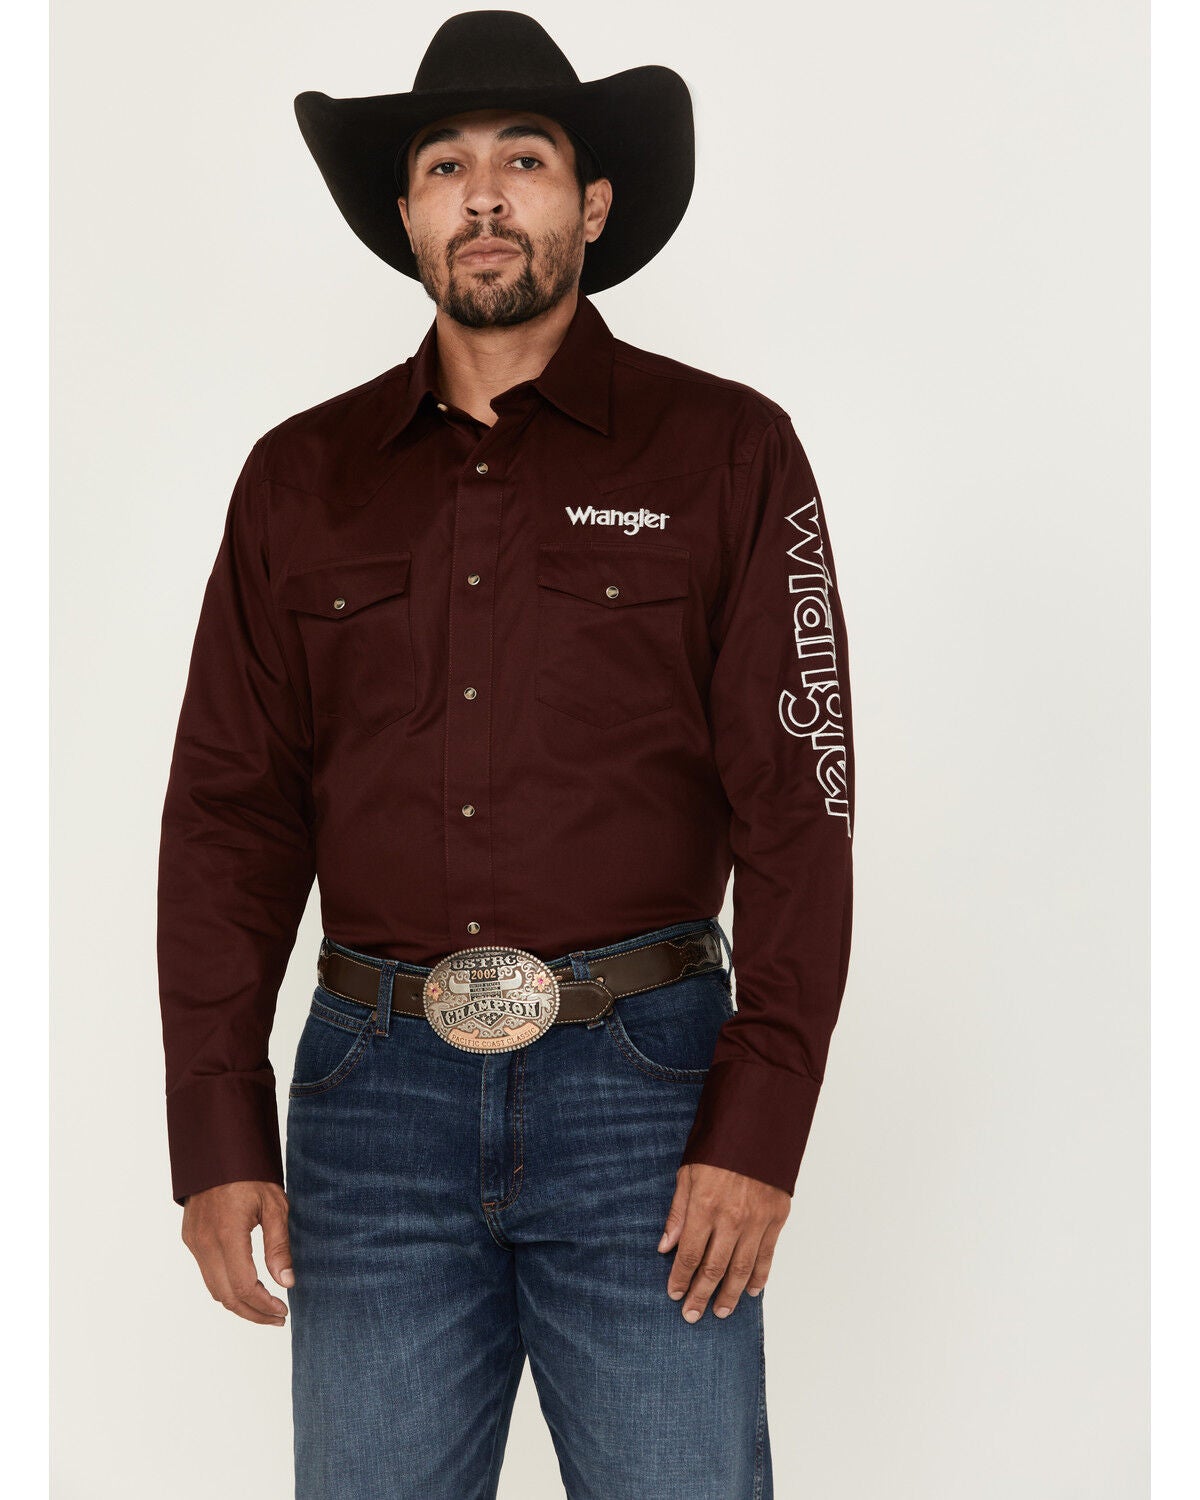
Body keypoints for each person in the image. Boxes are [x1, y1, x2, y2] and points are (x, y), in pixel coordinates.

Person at [157, 11, 855, 1497]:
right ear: (408, 216)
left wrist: (761, 1124)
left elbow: (800, 809)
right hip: (372, 1106)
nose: (484, 196)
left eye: (524, 160)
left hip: (650, 1099)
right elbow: (229, 814)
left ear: (590, 206)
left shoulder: (730, 453)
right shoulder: (298, 479)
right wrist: (214, 1124)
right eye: (446, 166)